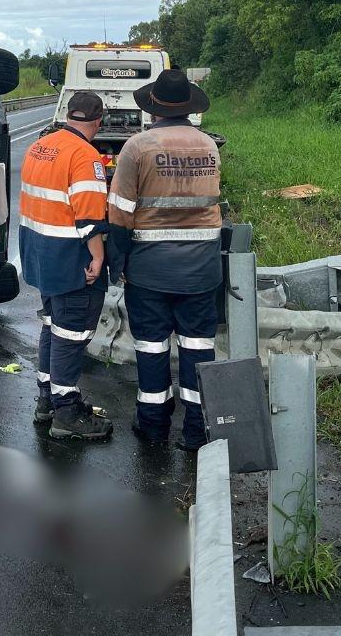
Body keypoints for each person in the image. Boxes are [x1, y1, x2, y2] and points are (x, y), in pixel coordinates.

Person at [107, 69, 221, 451]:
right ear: (189, 107)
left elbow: (120, 213)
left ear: (153, 107)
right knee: (198, 347)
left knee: (152, 346)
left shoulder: (138, 147)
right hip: (203, 269)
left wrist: (117, 263)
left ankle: (153, 424)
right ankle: (195, 430)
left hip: (150, 270)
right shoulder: (208, 146)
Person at [19, 91, 113, 440]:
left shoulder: (40, 146)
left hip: (41, 257)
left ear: (68, 115)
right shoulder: (85, 157)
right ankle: (67, 413)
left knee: (53, 328)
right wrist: (99, 256)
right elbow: (89, 219)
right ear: (98, 121)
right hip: (71, 261)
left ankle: (47, 400)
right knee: (71, 335)